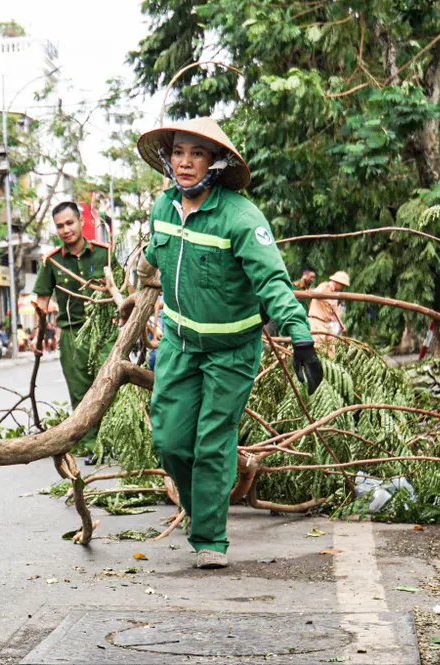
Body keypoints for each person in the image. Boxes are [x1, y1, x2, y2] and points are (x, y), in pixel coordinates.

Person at [133, 117, 323, 569]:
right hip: (179, 343)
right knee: (171, 440)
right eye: (179, 152)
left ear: (215, 163)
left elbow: (274, 282)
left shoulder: (241, 218)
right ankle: (202, 513)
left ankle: (209, 540)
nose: (185, 162)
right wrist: (136, 280)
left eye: (197, 154)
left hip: (231, 351)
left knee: (212, 441)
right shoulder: (163, 208)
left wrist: (301, 337)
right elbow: (155, 256)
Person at [33, 201, 112, 465]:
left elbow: (123, 289)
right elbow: (42, 300)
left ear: (80, 222)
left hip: (104, 333)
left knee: (108, 386)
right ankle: (91, 444)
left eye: (70, 223)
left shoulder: (104, 254)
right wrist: (38, 335)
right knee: (80, 392)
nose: (66, 229)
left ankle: (111, 438)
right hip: (71, 333)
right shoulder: (52, 261)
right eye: (60, 226)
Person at [308, 270, 351, 354]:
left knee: (331, 347)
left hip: (326, 324)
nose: (342, 287)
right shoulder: (324, 286)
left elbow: (335, 312)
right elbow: (314, 292)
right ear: (337, 282)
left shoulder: (335, 295)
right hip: (316, 321)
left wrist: (342, 325)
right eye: (342, 285)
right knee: (318, 347)